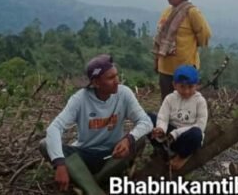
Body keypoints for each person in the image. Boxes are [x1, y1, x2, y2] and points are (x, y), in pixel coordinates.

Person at [40, 54, 153, 195]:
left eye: (116, 75)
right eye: (110, 78)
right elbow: (54, 128)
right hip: (84, 156)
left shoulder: (124, 94)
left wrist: (127, 139)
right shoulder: (80, 99)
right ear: (96, 83)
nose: (117, 81)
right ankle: (94, 189)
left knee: (139, 138)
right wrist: (60, 164)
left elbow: (146, 122)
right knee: (45, 144)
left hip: (113, 155)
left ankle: (89, 181)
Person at [153, 0, 212, 100]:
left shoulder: (192, 13)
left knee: (184, 103)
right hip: (165, 68)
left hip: (184, 69)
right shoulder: (167, 11)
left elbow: (205, 35)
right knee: (167, 102)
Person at [149, 64, 208, 171]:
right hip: (168, 136)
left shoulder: (200, 101)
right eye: (182, 87)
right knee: (148, 118)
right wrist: (161, 129)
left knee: (197, 133)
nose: (186, 91)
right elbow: (163, 116)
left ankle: (181, 157)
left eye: (190, 87)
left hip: (185, 137)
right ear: (174, 85)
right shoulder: (170, 98)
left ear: (197, 85)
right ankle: (162, 149)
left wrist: (176, 133)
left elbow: (200, 126)